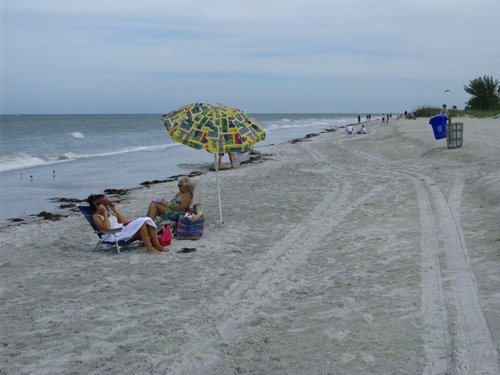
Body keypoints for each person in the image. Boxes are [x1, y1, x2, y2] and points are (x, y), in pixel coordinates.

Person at [87, 194, 167, 254]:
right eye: (104, 204)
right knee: (142, 221)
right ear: (97, 205)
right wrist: (104, 212)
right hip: (114, 235)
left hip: (123, 231)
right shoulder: (96, 216)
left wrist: (114, 211)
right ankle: (149, 248)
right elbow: (107, 228)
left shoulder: (109, 212)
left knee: (145, 221)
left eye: (107, 204)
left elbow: (125, 222)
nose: (107, 205)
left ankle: (157, 246)